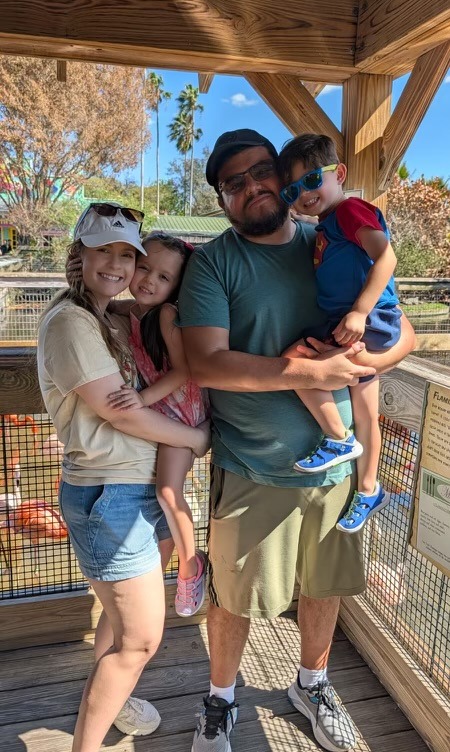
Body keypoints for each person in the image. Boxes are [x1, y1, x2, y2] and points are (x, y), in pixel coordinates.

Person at [177, 129, 416, 752]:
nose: (253, 186)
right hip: (254, 464)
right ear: (222, 199)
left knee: (325, 585)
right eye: (233, 182)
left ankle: (312, 685)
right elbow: (205, 363)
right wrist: (311, 374)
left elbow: (405, 333)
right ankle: (220, 699)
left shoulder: (331, 235)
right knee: (234, 597)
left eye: (261, 171)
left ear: (283, 176)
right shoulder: (214, 263)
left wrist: (359, 364)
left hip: (338, 469)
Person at [37, 202, 210, 752]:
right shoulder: (72, 322)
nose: (117, 265)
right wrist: (197, 438)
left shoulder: (105, 316)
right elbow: (123, 414)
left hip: (135, 485)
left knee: (119, 623)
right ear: (78, 255)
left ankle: (115, 698)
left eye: (126, 255)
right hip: (113, 492)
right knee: (139, 640)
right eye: (103, 251)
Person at [278, 133, 401, 533]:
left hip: (367, 319)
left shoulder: (349, 211)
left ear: (340, 173)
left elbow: (387, 257)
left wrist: (360, 312)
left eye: (313, 179)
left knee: (294, 361)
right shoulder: (327, 227)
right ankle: (369, 490)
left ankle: (338, 438)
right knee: (366, 415)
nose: (304, 194)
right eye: (292, 191)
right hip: (349, 321)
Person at [106, 231, 209, 617]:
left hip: (180, 414)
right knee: (161, 492)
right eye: (144, 268)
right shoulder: (132, 309)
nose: (149, 280)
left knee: (168, 492)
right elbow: (107, 306)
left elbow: (184, 370)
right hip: (162, 413)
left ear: (176, 286)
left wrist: (142, 399)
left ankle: (190, 567)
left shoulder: (166, 315)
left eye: (164, 277)